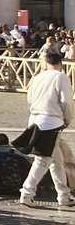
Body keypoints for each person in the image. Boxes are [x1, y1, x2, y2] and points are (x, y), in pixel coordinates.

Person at [16, 49, 73, 208]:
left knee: (57, 161)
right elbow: (67, 102)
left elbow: (29, 99)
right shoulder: (61, 77)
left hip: (35, 120)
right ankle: (27, 193)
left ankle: (63, 195)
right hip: (51, 123)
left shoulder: (37, 78)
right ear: (60, 63)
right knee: (43, 160)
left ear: (46, 63)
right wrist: (67, 119)